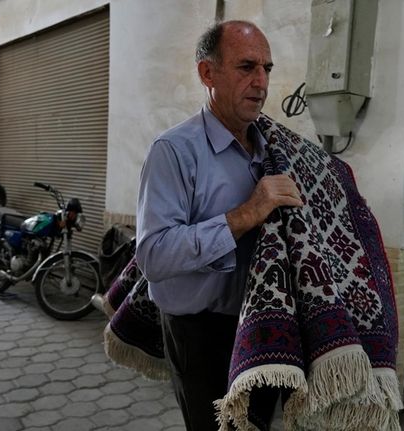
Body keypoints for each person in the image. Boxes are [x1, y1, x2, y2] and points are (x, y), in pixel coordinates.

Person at [135, 20, 303, 431]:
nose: (261, 82)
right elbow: (153, 256)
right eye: (247, 67)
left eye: (267, 68)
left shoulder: (276, 149)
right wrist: (248, 212)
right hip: (201, 334)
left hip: (263, 327)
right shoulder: (173, 151)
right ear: (207, 73)